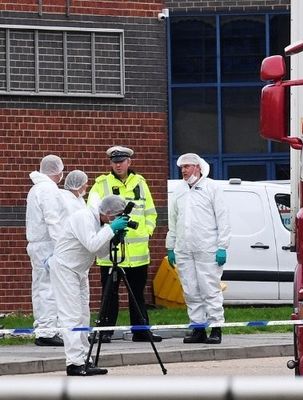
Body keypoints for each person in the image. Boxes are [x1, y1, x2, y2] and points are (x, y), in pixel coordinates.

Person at [49, 195, 129, 376]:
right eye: (116, 217)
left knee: (84, 316)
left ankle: (86, 359)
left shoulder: (100, 223)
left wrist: (113, 237)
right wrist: (111, 230)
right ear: (108, 214)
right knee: (71, 316)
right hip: (64, 268)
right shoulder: (84, 217)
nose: (116, 220)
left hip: (80, 270)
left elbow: (101, 253)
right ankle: (74, 363)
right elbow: (92, 244)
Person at [87, 146, 160, 343]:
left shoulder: (141, 183)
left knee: (137, 294)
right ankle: (104, 332)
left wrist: (147, 232)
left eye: (121, 161)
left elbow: (151, 213)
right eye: (114, 161)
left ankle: (141, 331)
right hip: (111, 249)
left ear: (129, 162)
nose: (118, 164)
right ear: (110, 163)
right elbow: (92, 214)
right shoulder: (101, 184)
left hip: (137, 252)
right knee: (109, 294)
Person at [166, 153, 231, 344]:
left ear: (198, 167)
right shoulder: (179, 191)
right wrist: (171, 246)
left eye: (187, 167)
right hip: (184, 249)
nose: (183, 171)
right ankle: (198, 327)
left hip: (207, 248)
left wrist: (222, 246)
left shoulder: (212, 188)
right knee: (190, 290)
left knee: (209, 289)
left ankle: (216, 327)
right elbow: (173, 220)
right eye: (182, 168)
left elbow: (223, 219)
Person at [26, 154, 66, 347]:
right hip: (47, 245)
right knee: (50, 288)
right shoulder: (49, 190)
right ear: (57, 172)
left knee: (40, 287)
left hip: (36, 244)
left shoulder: (36, 189)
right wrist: (62, 246)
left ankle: (42, 326)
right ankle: (48, 330)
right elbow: (53, 220)